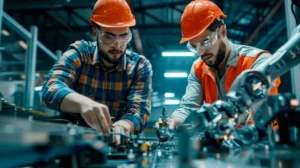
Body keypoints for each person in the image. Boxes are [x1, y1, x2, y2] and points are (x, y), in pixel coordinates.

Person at [41, 0, 152, 144]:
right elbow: (50, 89)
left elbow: (139, 110)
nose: (117, 45)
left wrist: (124, 125)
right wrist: (82, 103)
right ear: (95, 33)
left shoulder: (140, 66)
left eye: (124, 36)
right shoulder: (80, 53)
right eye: (109, 36)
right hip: (76, 146)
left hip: (117, 147)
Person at [169, 0, 281, 129]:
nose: (201, 51)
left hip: (264, 143)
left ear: (222, 32)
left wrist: (221, 120)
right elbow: (189, 105)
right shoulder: (198, 68)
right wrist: (176, 120)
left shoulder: (258, 61)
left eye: (205, 42)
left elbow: (253, 106)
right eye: (194, 46)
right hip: (225, 144)